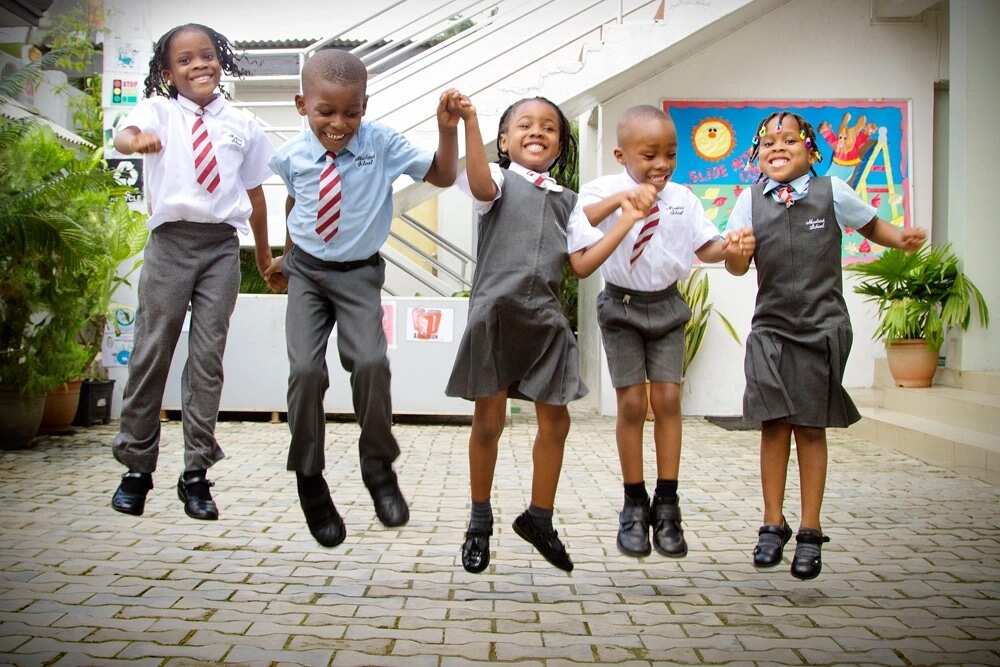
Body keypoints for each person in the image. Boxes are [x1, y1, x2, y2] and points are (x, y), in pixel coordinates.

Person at [266, 49, 460, 548]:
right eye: (325, 112)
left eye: (351, 112)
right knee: (305, 372)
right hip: (307, 274)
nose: (338, 123)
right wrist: (285, 259)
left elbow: (440, 176)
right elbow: (298, 201)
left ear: (364, 106)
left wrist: (446, 129)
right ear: (301, 105)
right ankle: (310, 478)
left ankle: (378, 466)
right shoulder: (290, 156)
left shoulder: (382, 145)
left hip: (358, 277)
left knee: (371, 362)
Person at [448, 95, 645, 573]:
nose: (537, 132)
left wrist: (626, 221)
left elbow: (580, 265)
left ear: (560, 145)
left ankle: (539, 517)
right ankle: (478, 521)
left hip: (545, 322)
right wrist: (469, 123)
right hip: (497, 317)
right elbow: (476, 179)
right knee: (489, 422)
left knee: (557, 422)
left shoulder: (569, 203)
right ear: (505, 139)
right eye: (524, 125)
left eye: (549, 128)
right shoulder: (496, 181)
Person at [725, 111, 925, 579]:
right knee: (773, 424)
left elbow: (874, 227)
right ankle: (772, 523)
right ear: (758, 155)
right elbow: (737, 265)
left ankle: (811, 531)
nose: (778, 147)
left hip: (821, 328)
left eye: (789, 140)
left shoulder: (833, 191)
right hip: (771, 328)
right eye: (768, 142)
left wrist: (902, 238)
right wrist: (734, 254)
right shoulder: (748, 201)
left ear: (810, 150)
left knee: (810, 428)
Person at [110, 23, 276, 521]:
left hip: (220, 248)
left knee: (207, 361)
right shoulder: (157, 111)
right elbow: (124, 135)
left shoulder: (243, 123)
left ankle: (196, 473)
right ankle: (136, 468)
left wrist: (264, 258)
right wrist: (136, 141)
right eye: (185, 60)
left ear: (219, 60)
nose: (198, 65)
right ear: (169, 72)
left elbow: (255, 195)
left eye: (206, 55)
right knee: (151, 350)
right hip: (170, 244)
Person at [574, 105, 754, 560]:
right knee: (633, 402)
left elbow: (705, 247)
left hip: (667, 306)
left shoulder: (683, 198)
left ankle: (667, 503)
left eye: (669, 154)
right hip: (621, 306)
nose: (661, 165)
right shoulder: (604, 190)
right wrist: (622, 206)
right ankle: (634, 503)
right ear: (621, 154)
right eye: (649, 155)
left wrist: (729, 246)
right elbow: (582, 219)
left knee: (669, 399)